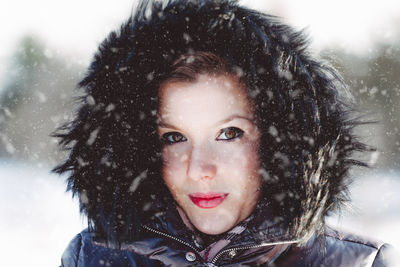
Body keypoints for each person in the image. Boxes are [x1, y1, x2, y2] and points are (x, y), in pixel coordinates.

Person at [54, 0, 395, 266]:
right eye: (174, 137)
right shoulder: (94, 258)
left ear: (280, 141)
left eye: (229, 133)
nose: (199, 169)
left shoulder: (357, 263)